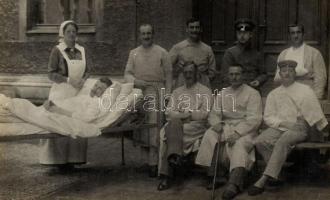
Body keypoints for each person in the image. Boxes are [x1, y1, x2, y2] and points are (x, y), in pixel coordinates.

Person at [248, 60, 328, 196]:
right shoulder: (274, 94)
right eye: (284, 71)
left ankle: (263, 179)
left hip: (299, 127)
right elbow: (268, 117)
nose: (287, 74)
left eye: (290, 71)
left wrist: (322, 129)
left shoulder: (305, 90)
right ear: (280, 74)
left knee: (282, 141)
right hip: (281, 127)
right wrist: (284, 124)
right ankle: (276, 174)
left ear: (295, 73)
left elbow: (314, 112)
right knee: (260, 141)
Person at [195, 64, 262, 200]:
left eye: (237, 74)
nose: (234, 77)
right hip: (226, 126)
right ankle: (215, 175)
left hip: (246, 129)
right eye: (231, 74)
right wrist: (216, 124)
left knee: (239, 144)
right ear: (227, 76)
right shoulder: (222, 93)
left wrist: (238, 133)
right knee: (210, 134)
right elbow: (214, 114)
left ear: (243, 75)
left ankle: (234, 183)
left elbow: (254, 119)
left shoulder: (252, 93)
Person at [39, 20, 93, 173]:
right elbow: (51, 73)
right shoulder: (57, 50)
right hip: (61, 92)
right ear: (63, 34)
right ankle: (56, 161)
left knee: (75, 121)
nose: (71, 35)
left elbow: (89, 70)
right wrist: (68, 80)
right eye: (68, 32)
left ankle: (74, 160)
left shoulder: (82, 50)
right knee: (59, 123)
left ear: (77, 34)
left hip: (77, 92)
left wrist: (83, 80)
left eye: (74, 32)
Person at [124, 24, 172, 177]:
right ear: (139, 35)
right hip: (139, 91)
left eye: (149, 33)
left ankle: (154, 163)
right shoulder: (134, 53)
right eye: (143, 34)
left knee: (154, 126)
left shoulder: (162, 52)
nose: (146, 36)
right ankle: (146, 160)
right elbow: (127, 74)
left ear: (153, 34)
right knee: (141, 126)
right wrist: (136, 82)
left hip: (157, 90)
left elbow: (169, 76)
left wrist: (167, 95)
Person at [157, 62, 213, 191]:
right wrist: (184, 116)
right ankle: (175, 158)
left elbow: (205, 113)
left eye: (191, 72)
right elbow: (168, 112)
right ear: (183, 74)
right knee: (170, 128)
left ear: (196, 74)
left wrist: (185, 115)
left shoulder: (205, 91)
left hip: (196, 126)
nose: (188, 75)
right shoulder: (177, 92)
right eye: (186, 72)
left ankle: (167, 173)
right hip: (178, 124)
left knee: (169, 132)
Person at [274, 24, 327, 99]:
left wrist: (316, 98)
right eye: (293, 33)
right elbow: (277, 78)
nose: (296, 36)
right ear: (289, 36)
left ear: (303, 34)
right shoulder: (283, 54)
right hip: (286, 94)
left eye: (298, 32)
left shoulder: (314, 53)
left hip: (306, 93)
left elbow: (320, 78)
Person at [169, 18, 216, 89]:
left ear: (201, 29)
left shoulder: (207, 49)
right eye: (191, 27)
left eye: (197, 27)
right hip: (183, 85)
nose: (194, 30)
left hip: (202, 85)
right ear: (187, 29)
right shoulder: (178, 47)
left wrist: (205, 81)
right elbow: (167, 67)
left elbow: (212, 71)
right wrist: (177, 74)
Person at [221, 18, 267, 89]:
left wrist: (258, 81)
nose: (242, 36)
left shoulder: (257, 53)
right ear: (236, 35)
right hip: (236, 89)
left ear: (250, 34)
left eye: (245, 33)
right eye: (239, 33)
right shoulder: (230, 53)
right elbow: (225, 75)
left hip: (253, 89)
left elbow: (264, 74)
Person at [43, 77, 113, 122]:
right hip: (56, 108)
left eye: (100, 88)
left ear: (105, 92)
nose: (95, 89)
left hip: (62, 114)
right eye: (95, 85)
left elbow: (87, 118)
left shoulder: (96, 102)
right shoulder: (85, 96)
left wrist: (59, 110)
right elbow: (69, 102)